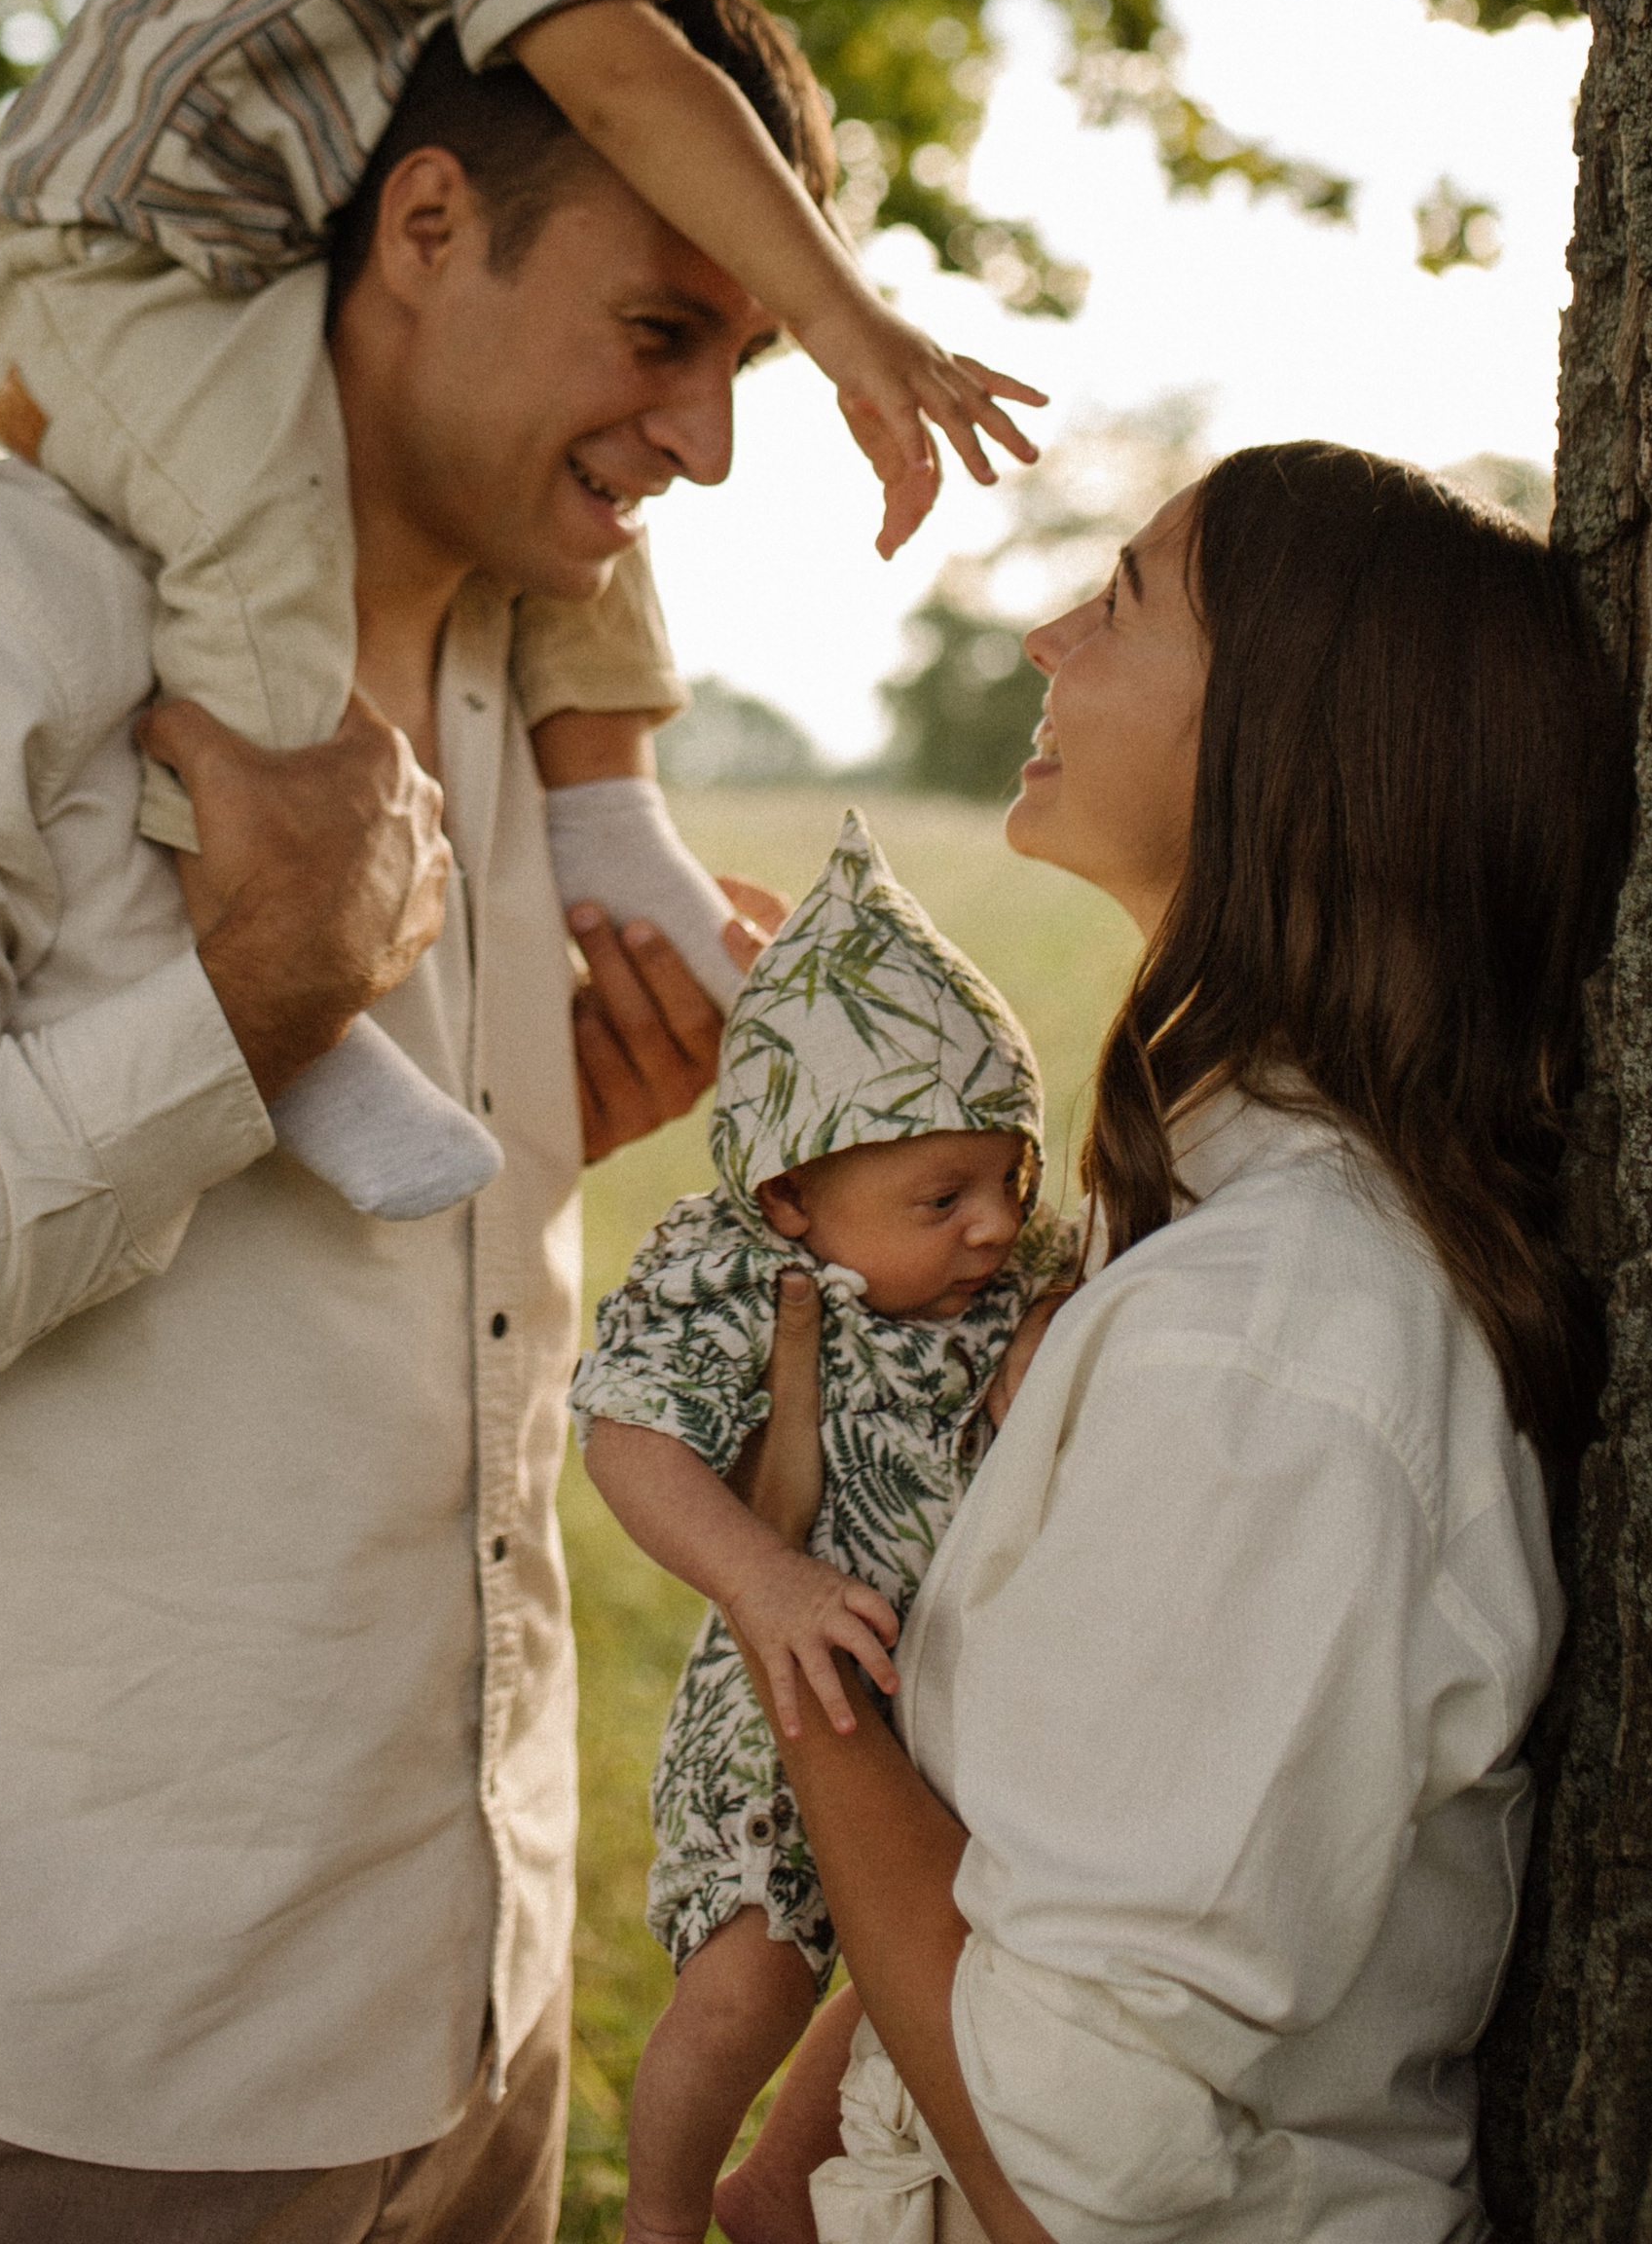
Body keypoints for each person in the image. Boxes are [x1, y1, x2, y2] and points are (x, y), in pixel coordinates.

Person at [0, 0, 828, 2244]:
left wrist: (569, 1135)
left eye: (743, 366)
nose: (703, 442)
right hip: (81, 2071)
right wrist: (243, 1002)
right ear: (424, 222)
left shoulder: (531, 708)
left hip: (474, 2041)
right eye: (659, 331)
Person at [0, 0, 1043, 1218]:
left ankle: (604, 809)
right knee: (262, 520)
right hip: (99, 270)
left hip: (241, 262)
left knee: (573, 442)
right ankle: (287, 992)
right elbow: (626, 86)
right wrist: (847, 317)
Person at [710, 444, 1634, 2244]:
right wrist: (779, 2170)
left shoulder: (1272, 1355)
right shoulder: (1208, 1248)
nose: (1049, 631)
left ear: (1293, 738)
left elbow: (1077, 2166)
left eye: (1122, 598)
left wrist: (781, 1606)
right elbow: (1035, 1869)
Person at [570, 811, 1074, 2244]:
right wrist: (766, 1583)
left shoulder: (1003, 1270)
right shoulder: (734, 1271)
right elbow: (631, 1438)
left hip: (938, 1701)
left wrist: (1047, 1321)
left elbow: (1076, 1277)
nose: (989, 1226)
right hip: (784, 1689)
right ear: (792, 1195)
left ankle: (779, 2180)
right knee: (749, 1986)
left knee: (930, 1963)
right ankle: (660, 2220)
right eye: (943, 1197)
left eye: (1008, 1179)